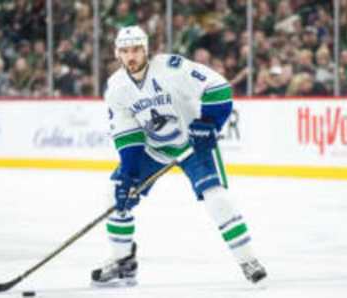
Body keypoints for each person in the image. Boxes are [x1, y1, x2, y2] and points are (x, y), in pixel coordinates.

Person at [91, 25, 267, 287]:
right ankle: (122, 262)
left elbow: (218, 87)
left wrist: (208, 122)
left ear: (146, 49)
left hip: (192, 144)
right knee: (115, 192)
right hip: (153, 149)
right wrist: (128, 173)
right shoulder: (116, 87)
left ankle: (248, 260)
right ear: (117, 54)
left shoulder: (171, 69)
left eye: (137, 49)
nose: (131, 56)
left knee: (216, 197)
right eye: (125, 51)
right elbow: (128, 135)